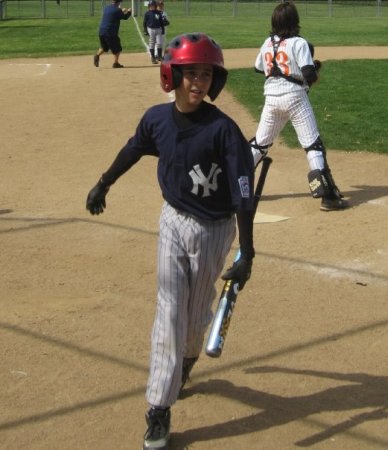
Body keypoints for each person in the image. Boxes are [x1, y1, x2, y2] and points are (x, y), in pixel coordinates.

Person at [85, 32, 255, 450]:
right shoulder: (156, 120)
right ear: (171, 75)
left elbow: (242, 192)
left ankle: (188, 359)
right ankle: (158, 408)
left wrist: (247, 249)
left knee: (195, 316)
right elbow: (133, 148)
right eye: (190, 73)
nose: (197, 81)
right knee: (169, 311)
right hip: (174, 221)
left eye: (205, 74)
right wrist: (104, 183)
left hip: (215, 230)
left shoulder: (223, 130)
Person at [251, 1, 348, 211]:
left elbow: (259, 68)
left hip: (271, 98)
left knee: (260, 144)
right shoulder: (299, 43)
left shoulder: (267, 43)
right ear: (295, 21)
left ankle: (236, 183)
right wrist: (315, 70)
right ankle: (327, 197)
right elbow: (309, 75)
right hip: (295, 98)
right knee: (313, 146)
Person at [94, 0, 131, 69]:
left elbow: (113, 14)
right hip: (110, 33)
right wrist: (129, 12)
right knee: (118, 49)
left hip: (102, 31)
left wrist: (121, 11)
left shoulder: (107, 8)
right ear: (118, 2)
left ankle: (97, 56)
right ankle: (115, 63)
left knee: (104, 48)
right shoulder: (117, 10)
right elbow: (125, 17)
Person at [143, 0, 164, 64]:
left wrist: (163, 29)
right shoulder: (147, 13)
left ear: (155, 6)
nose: (152, 7)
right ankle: (153, 57)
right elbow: (144, 23)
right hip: (151, 29)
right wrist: (145, 31)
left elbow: (161, 22)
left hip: (158, 29)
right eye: (150, 6)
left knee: (159, 43)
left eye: (153, 6)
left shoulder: (158, 13)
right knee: (152, 43)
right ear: (149, 6)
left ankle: (159, 56)